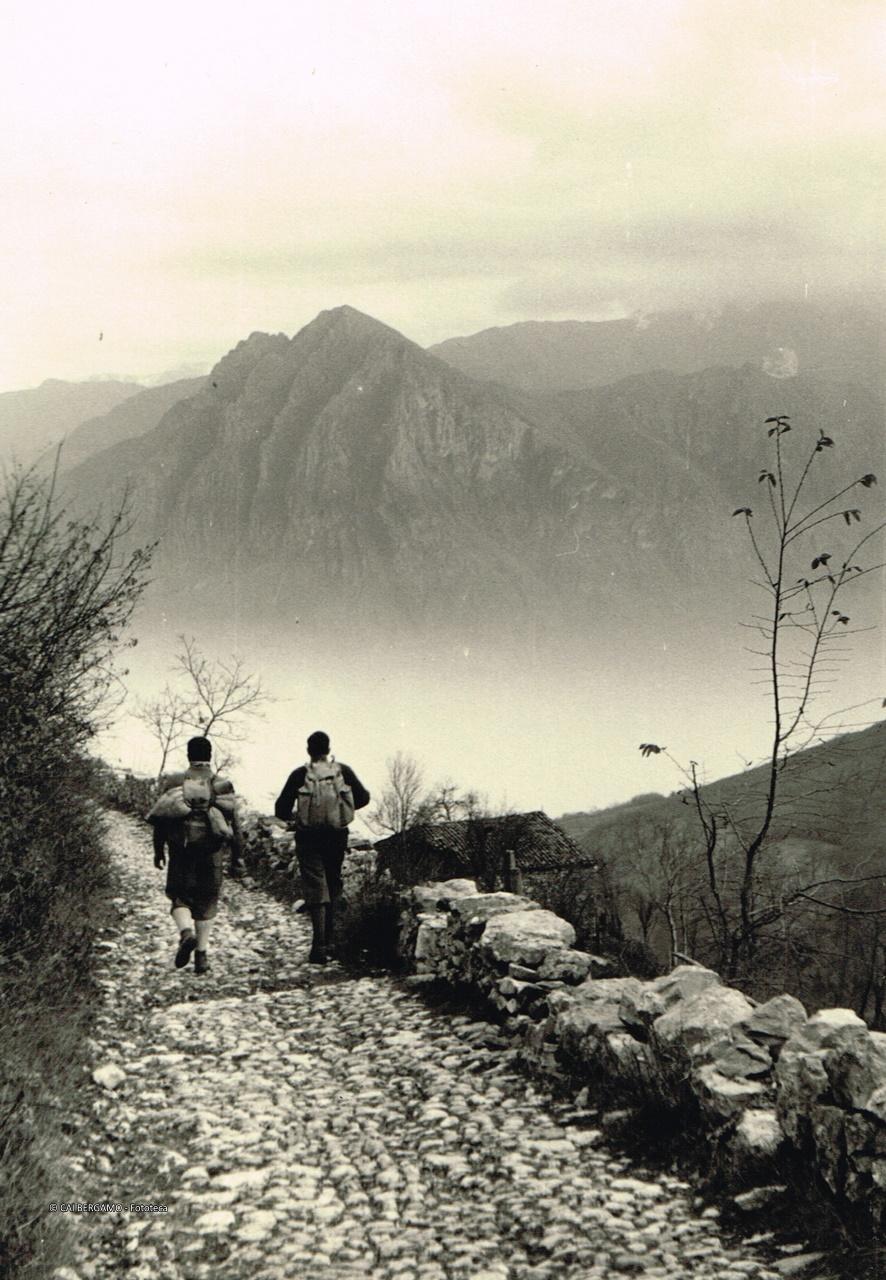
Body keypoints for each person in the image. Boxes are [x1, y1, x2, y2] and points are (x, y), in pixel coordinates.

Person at [148, 736, 243, 976]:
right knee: (207, 902)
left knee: (179, 897)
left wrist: (158, 850)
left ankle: (185, 933)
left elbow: (161, 819)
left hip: (181, 851)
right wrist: (237, 858)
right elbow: (235, 826)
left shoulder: (174, 781)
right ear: (210, 756)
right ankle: (201, 957)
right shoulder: (221, 785)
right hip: (212, 853)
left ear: (188, 755)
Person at [275, 731, 370, 964]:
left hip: (308, 837)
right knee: (333, 881)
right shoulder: (342, 771)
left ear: (309, 750)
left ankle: (318, 947)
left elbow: (280, 808)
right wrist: (340, 809)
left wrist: (296, 817)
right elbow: (364, 797)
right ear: (328, 749)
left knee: (316, 886)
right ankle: (332, 942)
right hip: (337, 835)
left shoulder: (300, 774)